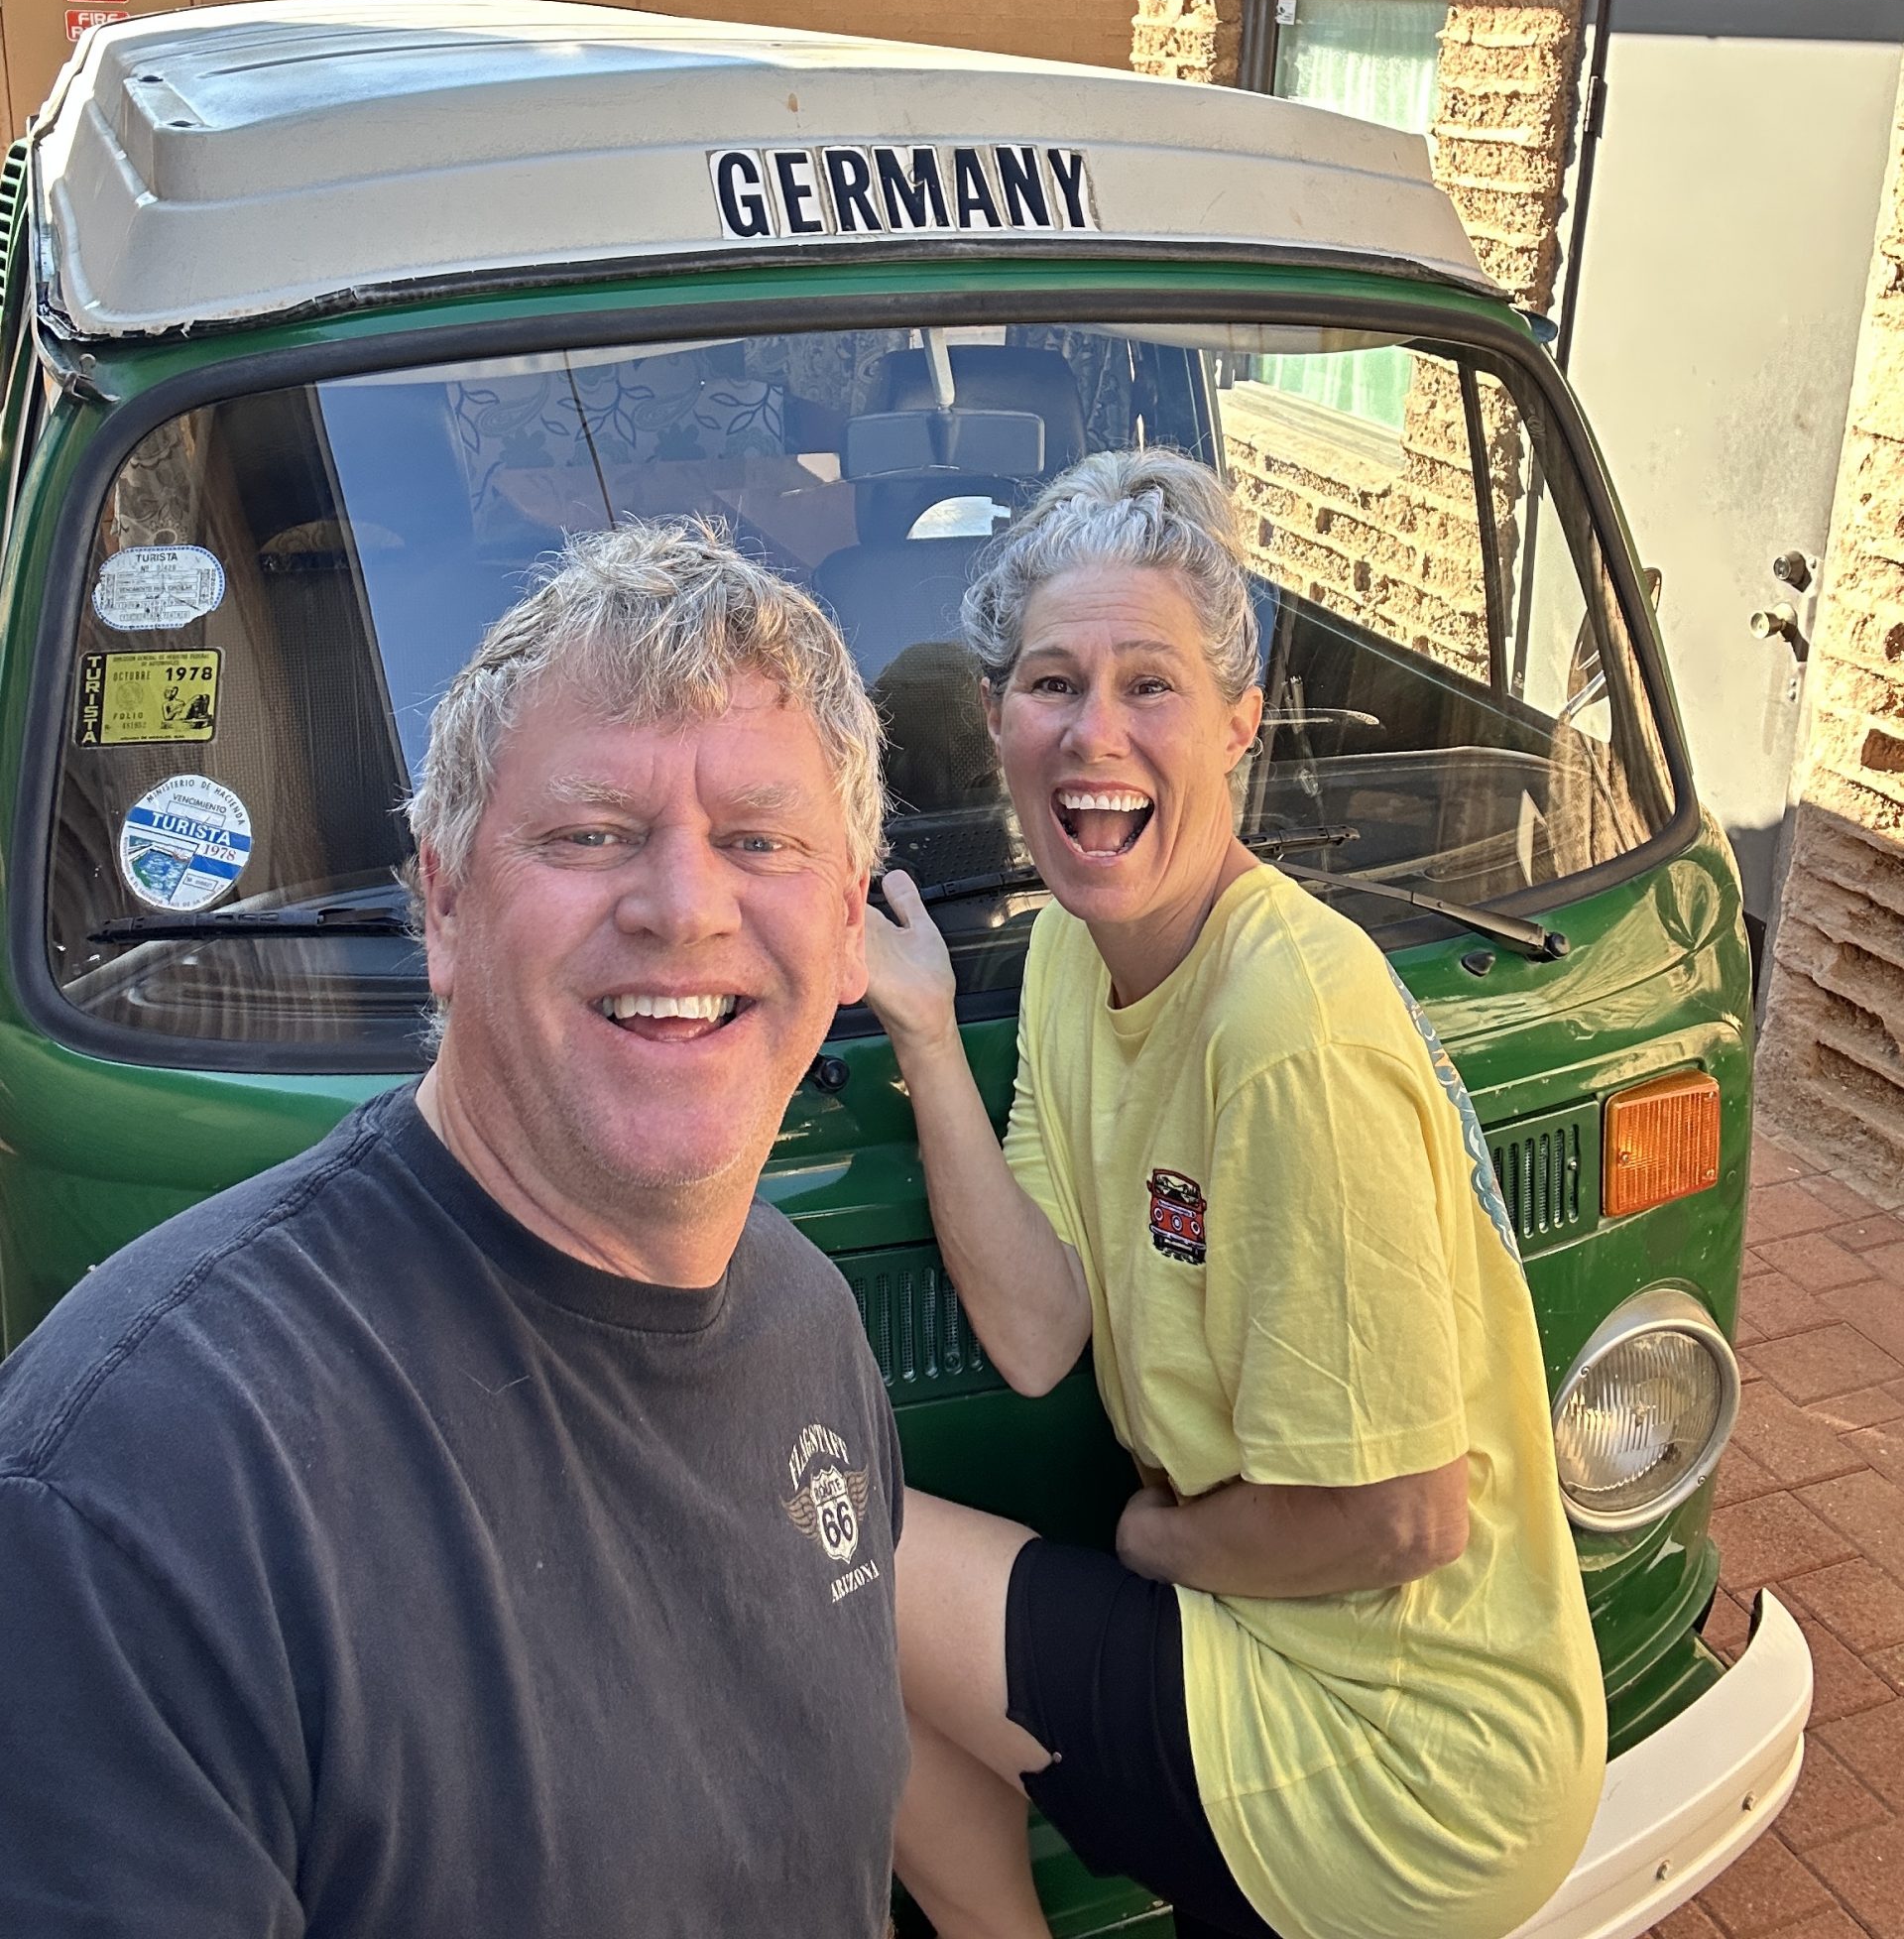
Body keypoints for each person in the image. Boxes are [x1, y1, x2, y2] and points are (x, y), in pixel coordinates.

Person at [0, 521, 907, 1938]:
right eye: (590, 834)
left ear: (850, 928)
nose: (683, 908)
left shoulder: (807, 1322)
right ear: (442, 903)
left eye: (759, 841)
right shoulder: (144, 1485)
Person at [863, 449, 1606, 1939]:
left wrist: (1155, 1544)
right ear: (998, 716)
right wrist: (929, 1034)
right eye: (1053, 682)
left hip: (1411, 1759)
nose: (1095, 732)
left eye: (1152, 685)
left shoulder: (1288, 1029)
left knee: (826, 1558)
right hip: (1267, 1632)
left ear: (1240, 726)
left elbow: (1404, 1519)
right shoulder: (1073, 947)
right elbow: (1037, 1333)